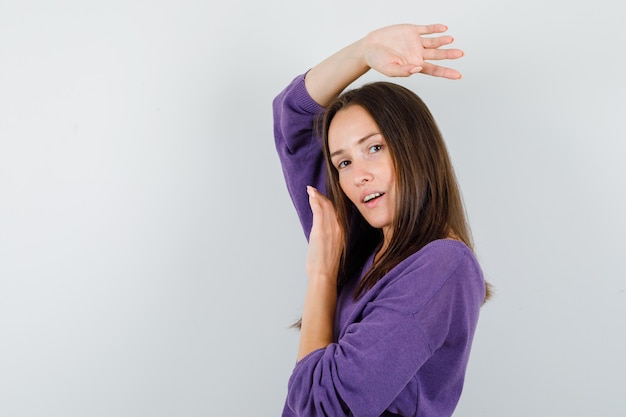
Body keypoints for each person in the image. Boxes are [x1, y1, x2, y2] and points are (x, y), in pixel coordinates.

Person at [272, 23, 491, 417]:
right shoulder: (361, 243)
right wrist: (363, 51)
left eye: (374, 148)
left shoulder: (442, 266)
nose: (359, 176)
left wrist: (321, 275)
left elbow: (321, 411)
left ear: (415, 149)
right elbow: (293, 116)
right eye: (343, 162)